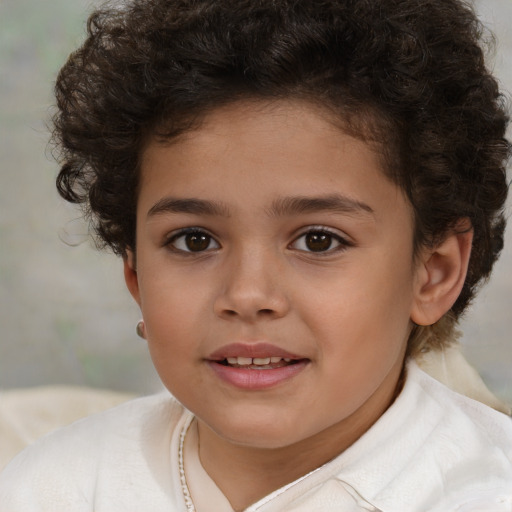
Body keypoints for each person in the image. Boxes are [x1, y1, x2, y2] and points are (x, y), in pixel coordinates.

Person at [1, 0, 511, 510]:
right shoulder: (49, 487)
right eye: (194, 240)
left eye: (319, 240)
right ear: (136, 275)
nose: (247, 295)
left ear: (433, 274)